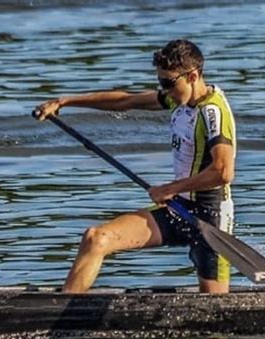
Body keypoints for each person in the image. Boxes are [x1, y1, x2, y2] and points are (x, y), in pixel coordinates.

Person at [35, 39, 236, 294]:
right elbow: (124, 101)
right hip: (178, 209)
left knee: (214, 309)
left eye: (168, 83)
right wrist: (65, 102)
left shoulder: (213, 112)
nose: (164, 90)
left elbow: (223, 171)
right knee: (96, 239)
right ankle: (61, 314)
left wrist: (172, 187)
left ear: (193, 76)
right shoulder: (179, 99)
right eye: (160, 82)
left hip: (211, 216)